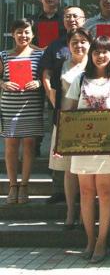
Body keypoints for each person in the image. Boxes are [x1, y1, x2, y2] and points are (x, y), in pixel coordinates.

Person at [63, 36, 110, 263]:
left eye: (105, 51)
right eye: (97, 52)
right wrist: (64, 142)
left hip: (107, 144)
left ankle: (102, 241)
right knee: (85, 192)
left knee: (105, 191)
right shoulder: (80, 79)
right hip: (82, 143)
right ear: (91, 54)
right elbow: (69, 111)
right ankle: (90, 240)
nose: (101, 56)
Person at [40, 6, 87, 204]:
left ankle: (83, 194)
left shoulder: (91, 43)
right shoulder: (55, 45)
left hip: (86, 112)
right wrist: (51, 96)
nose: (72, 19)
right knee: (60, 154)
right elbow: (46, 72)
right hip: (63, 107)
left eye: (76, 16)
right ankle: (59, 191)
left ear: (84, 19)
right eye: (68, 16)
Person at [48, 28, 91, 228]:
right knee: (69, 170)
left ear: (89, 44)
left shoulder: (96, 64)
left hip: (91, 124)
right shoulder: (61, 65)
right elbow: (54, 93)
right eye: (74, 42)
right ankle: (71, 211)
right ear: (68, 45)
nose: (79, 45)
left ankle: (85, 212)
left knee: (87, 171)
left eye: (83, 41)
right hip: (66, 123)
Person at [1, 19, 44, 204]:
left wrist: (38, 83)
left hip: (31, 105)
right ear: (13, 34)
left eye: (27, 32)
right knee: (11, 146)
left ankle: (24, 185)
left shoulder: (40, 55)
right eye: (19, 31)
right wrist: (3, 84)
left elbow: (46, 77)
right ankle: (12, 185)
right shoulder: (4, 55)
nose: (23, 35)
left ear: (33, 35)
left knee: (29, 145)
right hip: (10, 106)